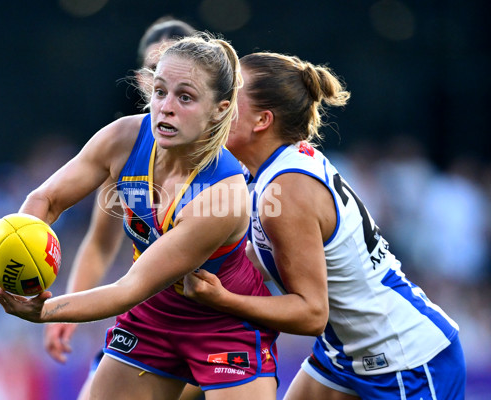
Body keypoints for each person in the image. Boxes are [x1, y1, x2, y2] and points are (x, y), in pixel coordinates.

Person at [0, 34, 279, 400]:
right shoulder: (124, 138)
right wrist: (22, 248)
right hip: (153, 316)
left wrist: (45, 311)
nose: (165, 107)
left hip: (222, 325)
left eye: (185, 97)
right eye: (159, 91)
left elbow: (129, 288)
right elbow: (46, 198)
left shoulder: (223, 195)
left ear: (220, 108)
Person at [183, 52, 466, 399]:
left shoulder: (287, 190)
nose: (217, 106)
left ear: (262, 120)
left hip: (406, 361)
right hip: (343, 353)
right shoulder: (264, 170)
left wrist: (222, 300)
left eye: (230, 98)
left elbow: (311, 313)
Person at [41, 16, 202, 400]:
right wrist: (66, 313)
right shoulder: (127, 149)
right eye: (156, 71)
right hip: (150, 319)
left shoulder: (228, 160)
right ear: (143, 80)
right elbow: (100, 243)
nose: (166, 88)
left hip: (218, 327)